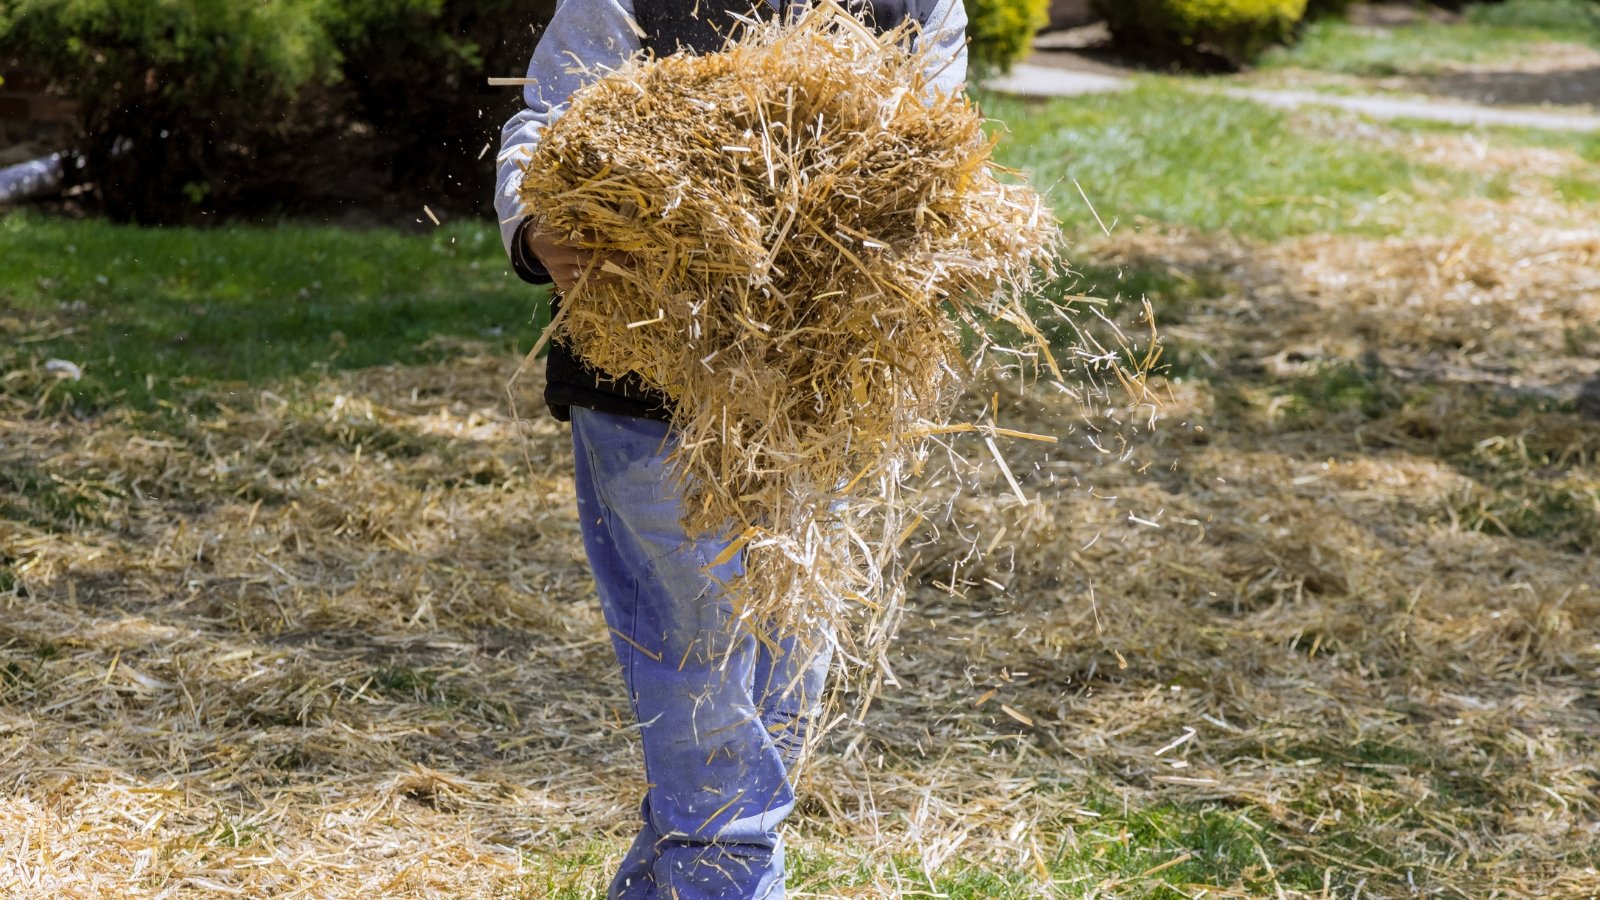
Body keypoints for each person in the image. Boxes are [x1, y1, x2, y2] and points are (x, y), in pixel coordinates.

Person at [493, 0, 968, 896]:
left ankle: (675, 879)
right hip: (638, 376)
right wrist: (533, 224)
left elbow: (933, 145)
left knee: (788, 669)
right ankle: (729, 879)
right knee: (701, 670)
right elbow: (548, 121)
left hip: (815, 386)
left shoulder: (915, 4)